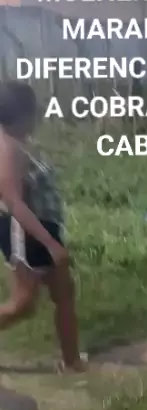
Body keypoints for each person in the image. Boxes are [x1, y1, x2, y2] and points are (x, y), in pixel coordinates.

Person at [0, 81, 85, 371]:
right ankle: (72, 361)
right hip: (25, 232)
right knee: (23, 304)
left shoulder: (18, 143)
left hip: (42, 227)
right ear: (20, 114)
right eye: (33, 112)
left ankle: (72, 362)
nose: (36, 117)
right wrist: (50, 244)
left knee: (64, 291)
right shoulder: (7, 148)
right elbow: (14, 202)